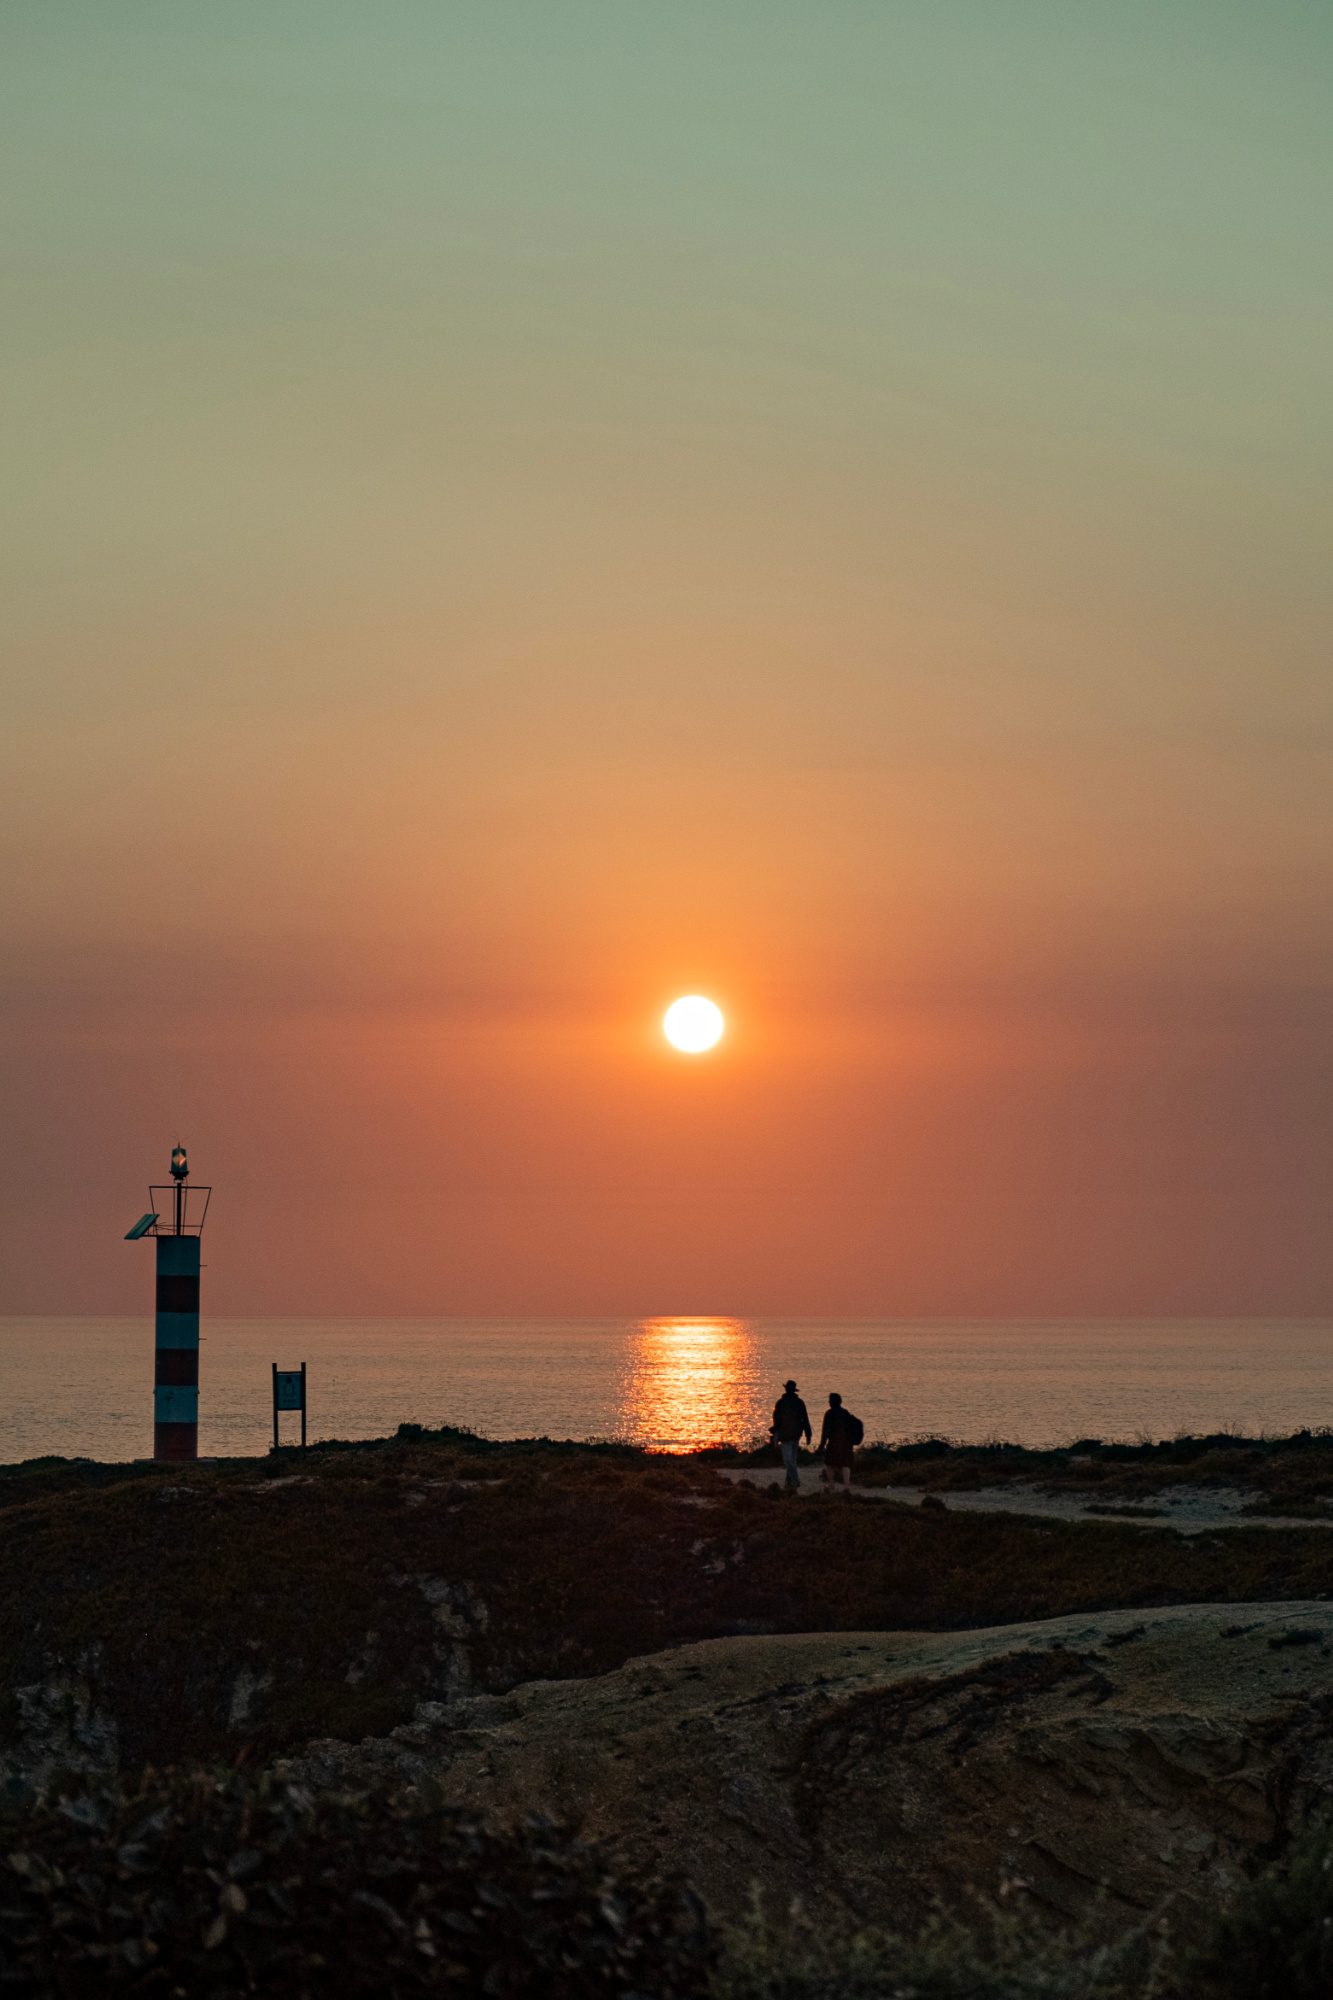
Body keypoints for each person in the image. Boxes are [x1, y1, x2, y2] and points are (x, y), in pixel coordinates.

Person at [771, 1379, 812, 1492]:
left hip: (785, 1434)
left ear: (785, 1389)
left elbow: (776, 1421)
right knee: (792, 1459)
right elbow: (805, 1419)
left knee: (787, 1460)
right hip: (796, 1434)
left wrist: (775, 1434)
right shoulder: (799, 1403)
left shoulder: (780, 1403)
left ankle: (795, 1479)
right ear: (794, 1390)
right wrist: (808, 1434)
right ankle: (789, 1483)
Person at [819, 1392, 863, 1491]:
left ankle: (831, 1484)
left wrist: (822, 1445)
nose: (829, 1402)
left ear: (831, 1402)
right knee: (845, 1464)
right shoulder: (845, 1413)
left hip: (834, 1443)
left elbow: (825, 1431)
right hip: (846, 1443)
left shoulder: (829, 1413)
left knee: (829, 1464)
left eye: (829, 1400)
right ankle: (846, 1486)